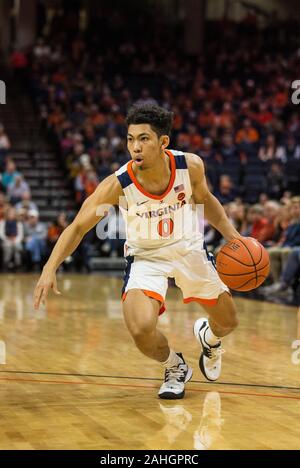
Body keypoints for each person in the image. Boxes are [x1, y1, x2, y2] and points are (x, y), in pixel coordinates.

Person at [34, 104, 240, 400]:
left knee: (229, 322)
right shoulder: (117, 184)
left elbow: (207, 201)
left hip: (188, 249)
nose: (135, 147)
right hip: (146, 257)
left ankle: (208, 337)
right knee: (141, 329)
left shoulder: (190, 166)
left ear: (163, 142)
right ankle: (174, 366)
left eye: (143, 139)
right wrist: (49, 268)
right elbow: (78, 227)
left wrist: (234, 238)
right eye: (130, 139)